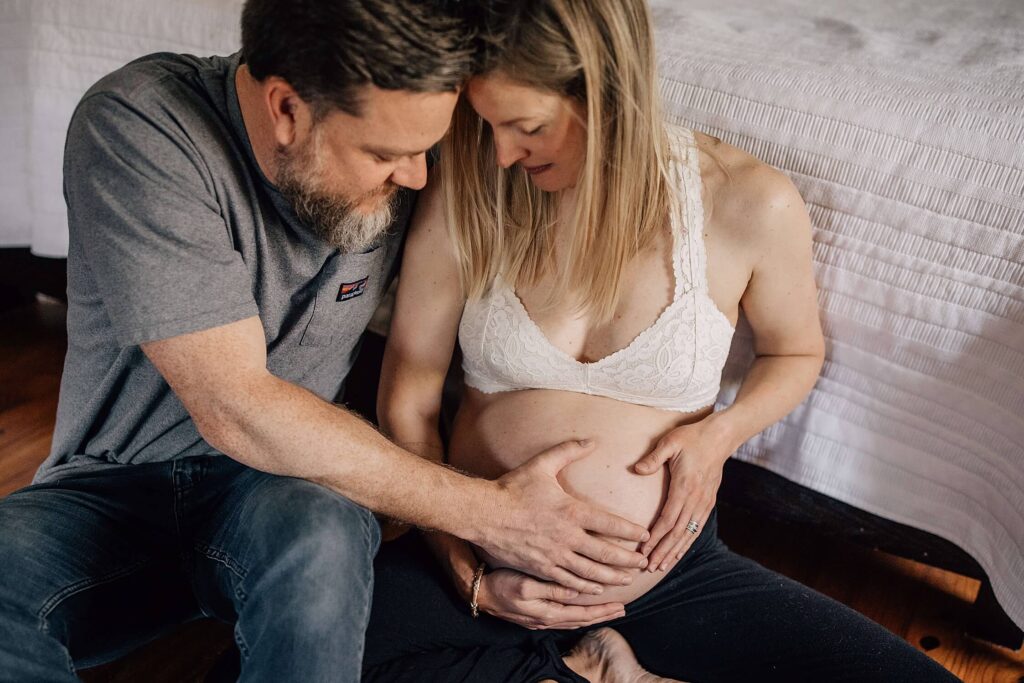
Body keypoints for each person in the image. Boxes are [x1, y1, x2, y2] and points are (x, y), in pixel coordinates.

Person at [0, 1, 658, 680]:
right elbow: (237, 406)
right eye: (387, 155)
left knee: (322, 528)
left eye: (424, 149)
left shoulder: (406, 141)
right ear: (286, 108)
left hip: (282, 496)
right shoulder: (140, 124)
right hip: (109, 494)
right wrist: (494, 514)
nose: (418, 178)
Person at [365, 0, 962, 680]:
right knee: (286, 659)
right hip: (479, 564)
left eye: (526, 127)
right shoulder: (471, 190)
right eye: (488, 124)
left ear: (606, 93)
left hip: (662, 574)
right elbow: (408, 396)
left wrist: (721, 434)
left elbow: (794, 353)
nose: (501, 152)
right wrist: (460, 560)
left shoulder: (746, 202)